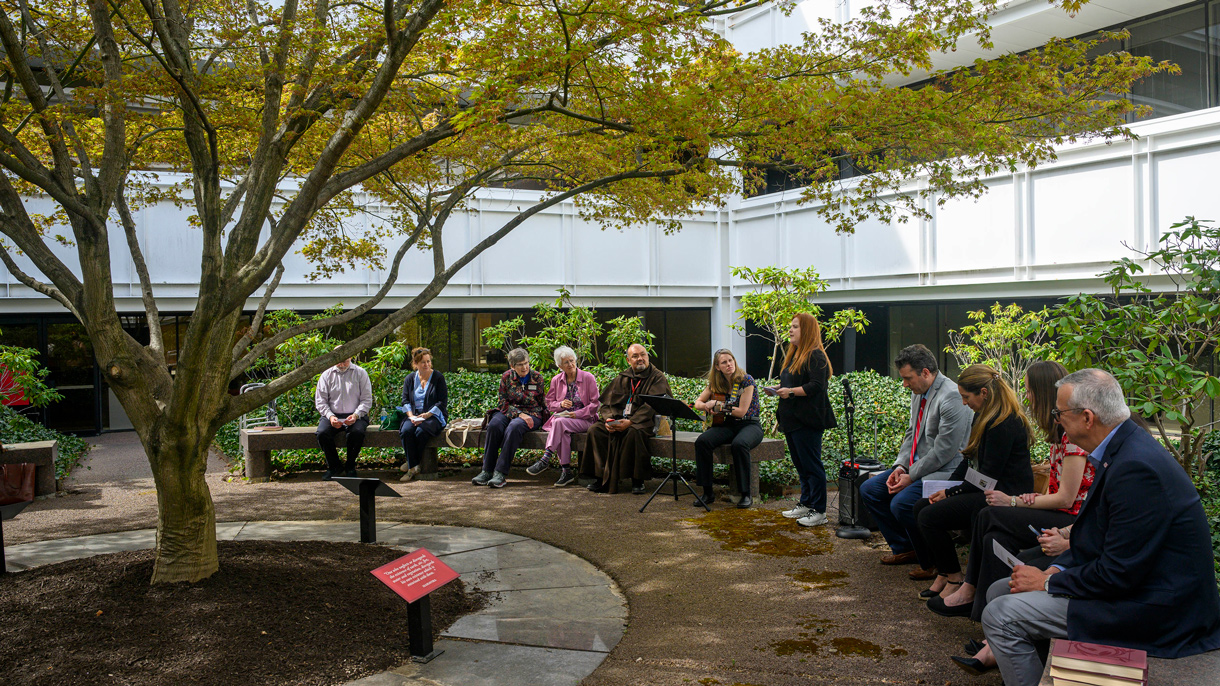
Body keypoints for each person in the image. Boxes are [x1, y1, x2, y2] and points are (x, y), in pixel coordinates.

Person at [981, 369, 1220, 686]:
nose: (1056, 420)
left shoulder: (1135, 468)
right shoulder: (1125, 449)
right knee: (1000, 589)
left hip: (1157, 610)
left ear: (1087, 418)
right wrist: (1054, 570)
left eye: (1059, 413)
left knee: (999, 614)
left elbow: (1119, 572)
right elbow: (1094, 536)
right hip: (1138, 589)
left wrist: (1049, 584)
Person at [934, 361, 1092, 625]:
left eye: (1029, 390)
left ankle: (970, 589)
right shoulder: (1058, 434)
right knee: (995, 538)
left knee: (988, 515)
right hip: (1059, 513)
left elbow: (1067, 498)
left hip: (1069, 521)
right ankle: (988, 616)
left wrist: (1016, 501)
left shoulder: (1070, 436)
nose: (1026, 397)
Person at [912, 364, 1033, 604]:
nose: (965, 403)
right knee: (920, 507)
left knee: (929, 517)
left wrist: (951, 491)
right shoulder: (985, 415)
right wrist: (947, 488)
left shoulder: (1003, 423)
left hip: (1004, 495)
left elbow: (987, 477)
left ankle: (957, 578)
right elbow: (969, 462)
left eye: (967, 397)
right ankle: (947, 573)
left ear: (984, 394)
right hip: (986, 489)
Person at [859, 344, 972, 572]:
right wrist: (900, 466)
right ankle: (906, 548)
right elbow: (912, 432)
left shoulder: (950, 396)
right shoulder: (919, 391)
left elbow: (944, 451)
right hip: (917, 467)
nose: (904, 384)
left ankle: (933, 560)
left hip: (947, 471)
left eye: (908, 378)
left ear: (926, 373)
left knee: (901, 503)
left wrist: (911, 475)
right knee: (870, 489)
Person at [582, 343, 671, 494]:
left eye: (643, 355)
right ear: (628, 360)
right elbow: (606, 404)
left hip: (643, 423)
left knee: (633, 433)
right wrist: (610, 420)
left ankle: (637, 480)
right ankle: (600, 477)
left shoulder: (657, 377)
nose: (640, 359)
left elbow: (653, 405)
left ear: (648, 356)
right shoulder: (623, 377)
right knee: (595, 430)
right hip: (619, 420)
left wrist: (631, 421)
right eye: (635, 356)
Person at [774, 315, 837, 525]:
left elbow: (817, 386)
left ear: (807, 330)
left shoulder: (815, 355)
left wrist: (790, 391)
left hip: (807, 420)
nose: (790, 330)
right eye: (790, 326)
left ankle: (819, 511)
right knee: (801, 465)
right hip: (791, 419)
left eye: (795, 327)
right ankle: (806, 503)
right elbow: (793, 383)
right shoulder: (794, 355)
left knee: (812, 465)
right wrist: (778, 390)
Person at [692, 348, 764, 509]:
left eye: (730, 360)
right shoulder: (717, 383)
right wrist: (706, 405)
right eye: (724, 362)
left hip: (749, 424)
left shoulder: (746, 380)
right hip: (728, 424)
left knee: (739, 444)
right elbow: (697, 403)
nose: (729, 364)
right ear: (717, 367)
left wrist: (719, 405)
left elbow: (741, 411)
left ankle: (746, 494)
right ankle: (707, 492)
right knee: (702, 441)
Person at [472, 348, 547, 489]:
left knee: (514, 427)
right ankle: (487, 471)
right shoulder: (506, 377)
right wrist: (518, 414)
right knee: (494, 425)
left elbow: (542, 402)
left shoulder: (537, 378)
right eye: (520, 364)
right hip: (510, 411)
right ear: (512, 366)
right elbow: (502, 403)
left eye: (526, 363)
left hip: (532, 413)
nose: (525, 367)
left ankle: (500, 473)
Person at [528, 346, 600, 487]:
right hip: (563, 421)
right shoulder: (556, 380)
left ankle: (545, 458)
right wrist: (561, 404)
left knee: (559, 423)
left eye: (572, 360)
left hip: (585, 420)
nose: (570, 364)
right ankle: (566, 471)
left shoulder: (588, 378)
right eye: (566, 362)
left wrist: (576, 413)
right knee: (562, 430)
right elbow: (550, 403)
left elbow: (595, 404)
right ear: (560, 366)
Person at [314, 352, 373, 480]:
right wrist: (330, 416)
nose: (341, 364)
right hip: (332, 414)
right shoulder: (326, 375)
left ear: (350, 357)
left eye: (344, 361)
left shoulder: (360, 373)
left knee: (357, 432)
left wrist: (356, 415)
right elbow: (320, 401)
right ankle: (334, 466)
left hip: (356, 414)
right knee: (322, 433)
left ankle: (350, 466)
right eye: (338, 361)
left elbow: (367, 400)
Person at [398, 347, 448, 482]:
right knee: (406, 430)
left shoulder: (438, 378)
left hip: (433, 416)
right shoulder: (409, 379)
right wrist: (411, 416)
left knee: (421, 431)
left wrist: (426, 415)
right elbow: (405, 401)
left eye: (428, 362)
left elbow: (442, 402)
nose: (426, 365)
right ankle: (414, 466)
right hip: (414, 415)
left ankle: (411, 465)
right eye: (423, 363)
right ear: (416, 364)